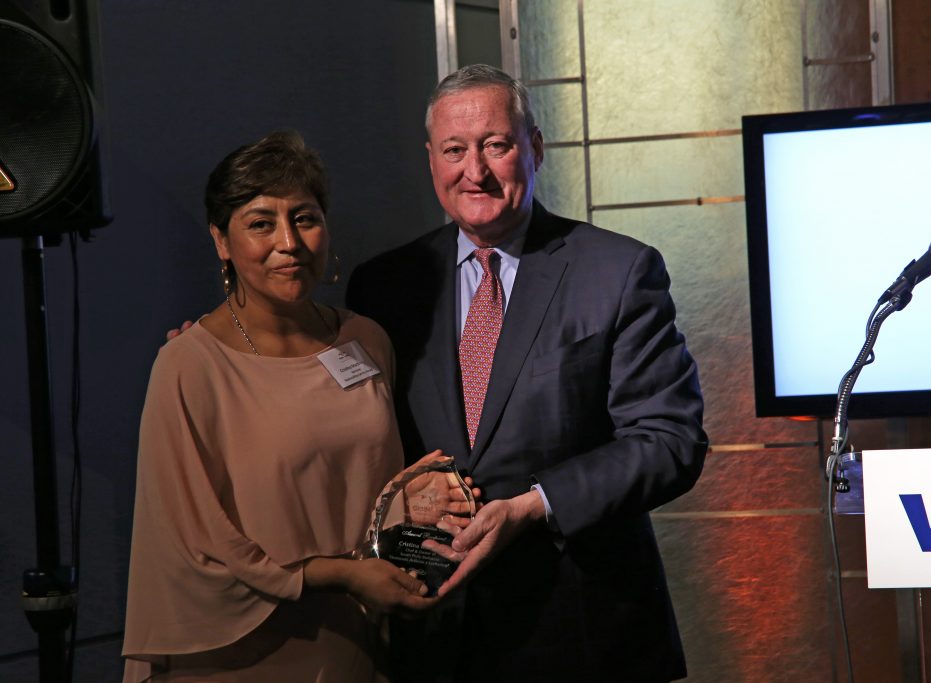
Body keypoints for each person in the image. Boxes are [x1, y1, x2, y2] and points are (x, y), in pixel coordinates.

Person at [346, 64, 709, 682]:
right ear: (431, 159)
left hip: (583, 631)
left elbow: (670, 441)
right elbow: (333, 410)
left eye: (496, 145)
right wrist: (218, 344)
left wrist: (532, 505)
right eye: (455, 150)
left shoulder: (617, 271)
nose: (475, 171)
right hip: (435, 636)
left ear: (535, 147)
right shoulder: (385, 287)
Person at [122, 131, 446, 682]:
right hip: (242, 647)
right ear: (221, 241)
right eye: (260, 222)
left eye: (304, 217)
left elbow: (383, 483)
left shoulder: (367, 340)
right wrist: (333, 574)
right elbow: (193, 538)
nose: (288, 242)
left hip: (358, 635)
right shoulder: (188, 365)